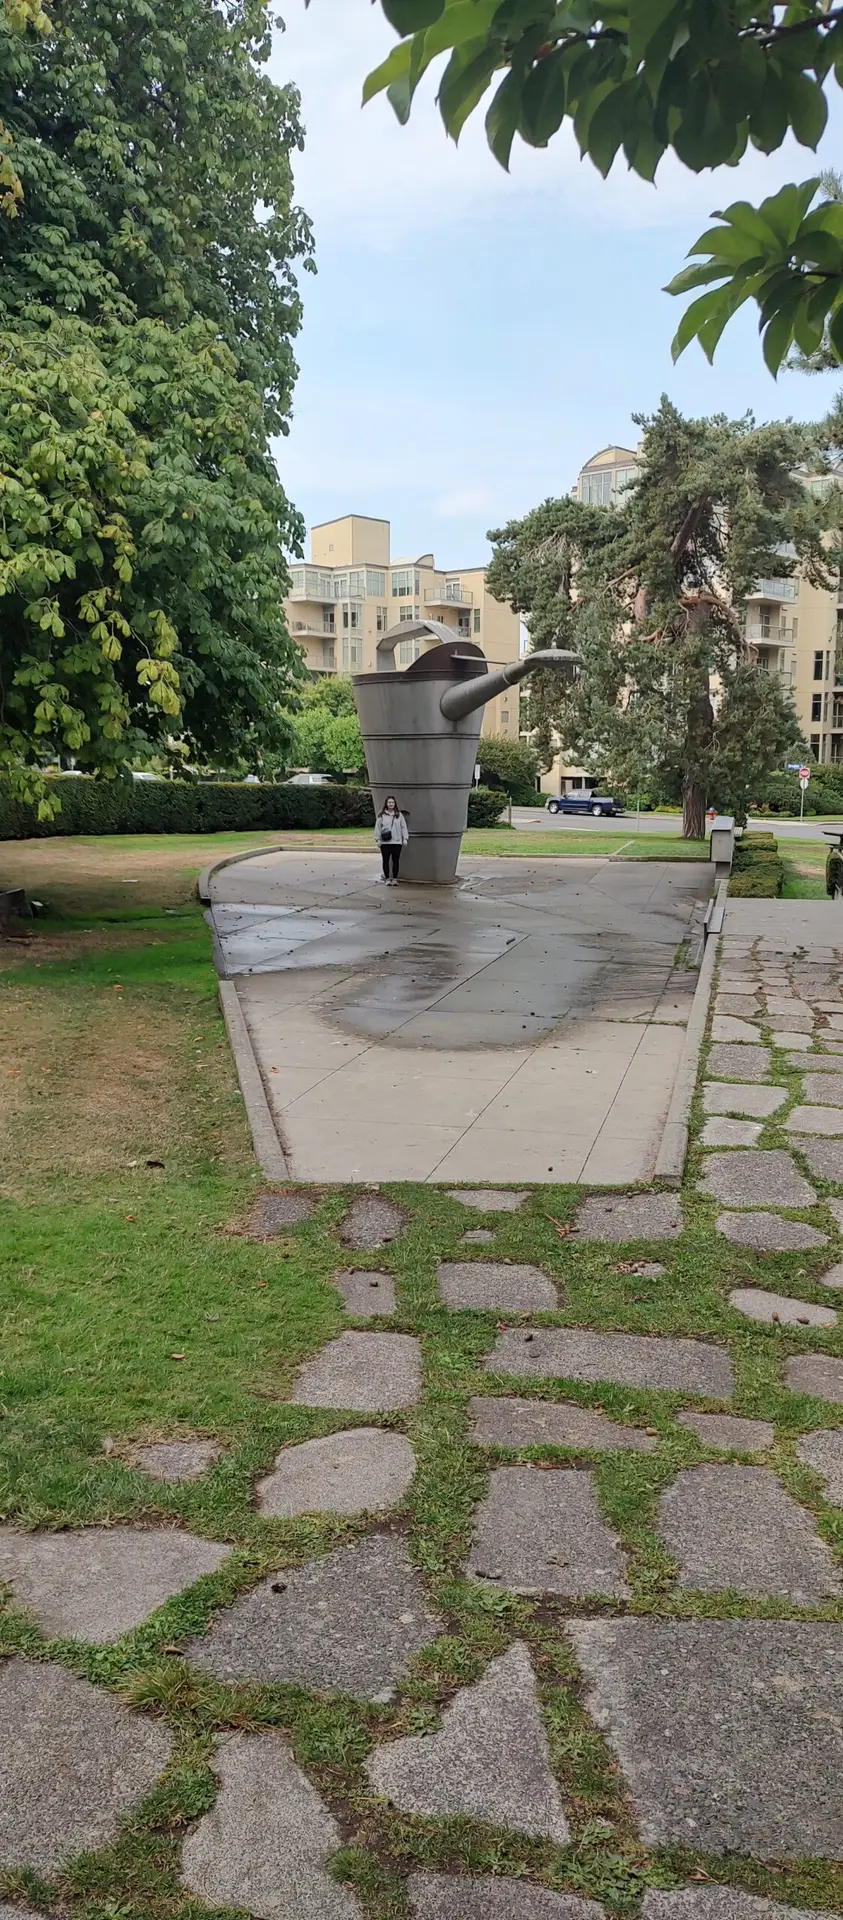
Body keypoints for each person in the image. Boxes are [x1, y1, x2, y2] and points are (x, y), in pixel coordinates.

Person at [374, 794, 409, 884]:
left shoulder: (399, 815)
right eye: (389, 802)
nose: (391, 804)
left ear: (395, 804)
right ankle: (387, 879)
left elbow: (403, 827)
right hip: (385, 842)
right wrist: (377, 839)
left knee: (395, 861)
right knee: (385, 860)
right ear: (386, 804)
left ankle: (395, 879)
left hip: (397, 842)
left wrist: (405, 838)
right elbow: (378, 827)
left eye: (392, 802)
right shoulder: (381, 815)